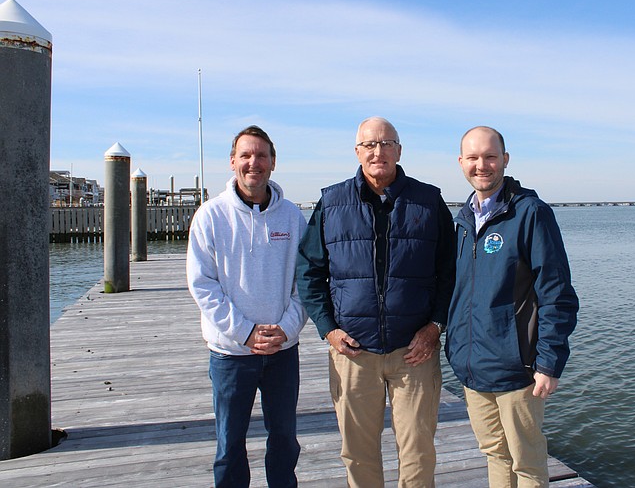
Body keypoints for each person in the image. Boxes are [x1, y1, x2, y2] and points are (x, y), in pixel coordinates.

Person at [296, 116, 456, 487]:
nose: (377, 151)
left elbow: (451, 272)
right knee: (358, 452)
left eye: (386, 144)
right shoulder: (331, 202)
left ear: (399, 151)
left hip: (414, 352)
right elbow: (309, 271)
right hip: (353, 352)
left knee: (418, 451)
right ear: (357, 151)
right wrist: (327, 329)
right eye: (369, 145)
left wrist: (436, 326)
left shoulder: (428, 201)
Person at [445, 126, 579, 488]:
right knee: (495, 454)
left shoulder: (531, 213)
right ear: (461, 163)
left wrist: (549, 362)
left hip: (518, 370)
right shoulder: (461, 221)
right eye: (472, 158)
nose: (481, 165)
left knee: (527, 462)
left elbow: (557, 294)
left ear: (505, 160)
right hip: (473, 369)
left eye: (490, 156)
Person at [187, 125, 308, 488]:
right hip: (229, 353)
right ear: (232, 162)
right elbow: (202, 284)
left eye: (261, 155)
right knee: (229, 445)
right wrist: (245, 332)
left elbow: (307, 282)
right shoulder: (210, 216)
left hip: (282, 352)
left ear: (273, 163)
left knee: (284, 441)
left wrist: (287, 328)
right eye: (246, 155)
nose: (253, 162)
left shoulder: (293, 217)